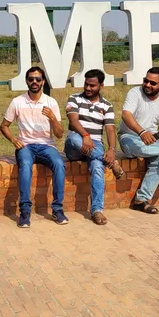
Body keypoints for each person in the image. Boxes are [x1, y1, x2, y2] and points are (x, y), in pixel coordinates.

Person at [0, 66, 68, 227]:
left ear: (43, 81)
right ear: (26, 81)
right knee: (25, 164)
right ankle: (25, 211)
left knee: (59, 164)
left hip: (47, 145)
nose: (34, 82)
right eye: (31, 79)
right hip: (26, 145)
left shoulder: (50, 102)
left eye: (38, 79)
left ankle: (57, 209)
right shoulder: (18, 101)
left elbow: (59, 134)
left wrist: (53, 118)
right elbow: (4, 126)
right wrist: (14, 140)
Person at [117, 66, 159, 214]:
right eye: (146, 81)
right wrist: (142, 132)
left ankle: (141, 200)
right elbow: (126, 114)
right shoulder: (135, 93)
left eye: (153, 83)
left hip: (152, 141)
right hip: (129, 137)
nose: (147, 85)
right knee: (143, 149)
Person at [64, 69, 123, 226]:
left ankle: (97, 210)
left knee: (97, 167)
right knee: (73, 138)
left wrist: (112, 149)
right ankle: (111, 163)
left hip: (95, 146)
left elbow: (110, 129)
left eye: (92, 85)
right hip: (76, 144)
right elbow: (73, 121)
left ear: (101, 86)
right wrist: (85, 135)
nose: (88, 88)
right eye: (86, 84)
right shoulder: (74, 98)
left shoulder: (107, 105)